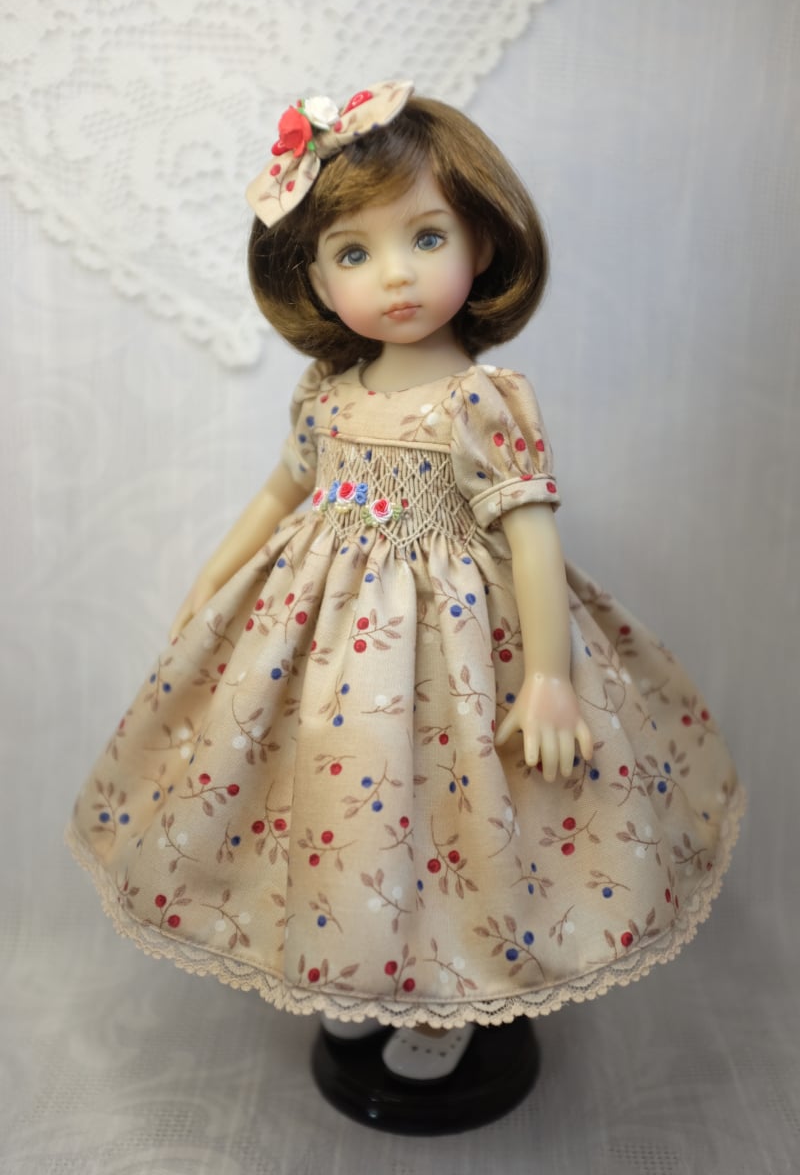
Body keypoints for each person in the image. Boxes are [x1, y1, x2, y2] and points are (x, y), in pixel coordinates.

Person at [67, 80, 742, 1091]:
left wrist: (547, 678)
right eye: (353, 253)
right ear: (312, 274)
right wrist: (214, 577)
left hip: (462, 648)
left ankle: (451, 988)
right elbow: (282, 488)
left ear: (481, 242)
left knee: (458, 819)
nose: (394, 275)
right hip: (322, 645)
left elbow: (531, 536)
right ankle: (353, 965)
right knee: (342, 804)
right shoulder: (326, 395)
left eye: (425, 238)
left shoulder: (481, 400)